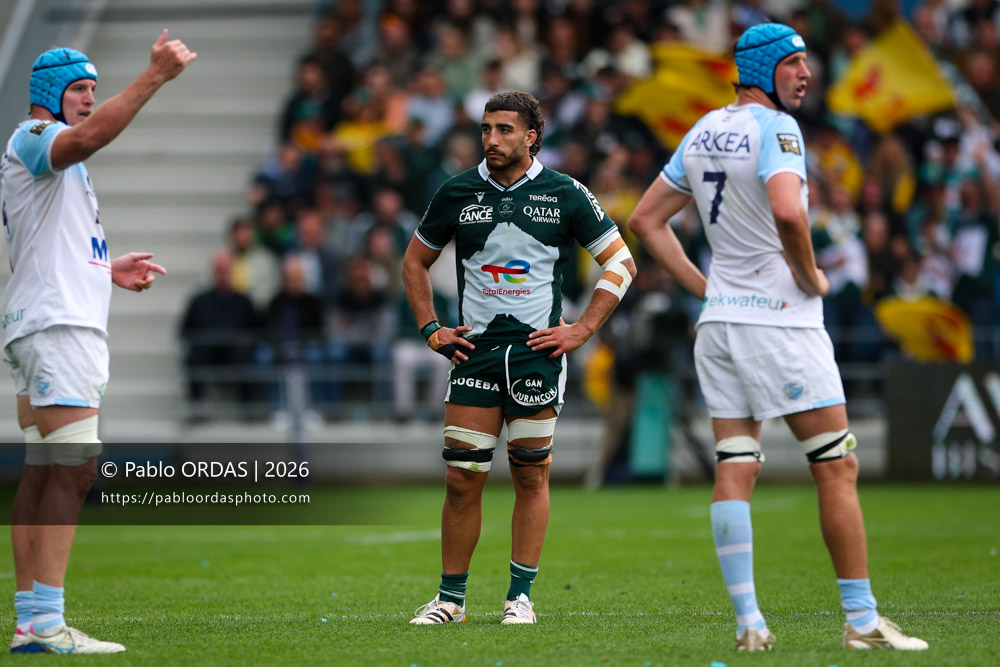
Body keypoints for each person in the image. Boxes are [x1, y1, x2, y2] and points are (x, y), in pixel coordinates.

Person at [628, 23, 928, 653]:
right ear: (763, 69)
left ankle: (750, 623)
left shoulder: (703, 128)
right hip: (780, 322)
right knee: (836, 463)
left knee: (736, 466)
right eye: (794, 63)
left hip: (720, 325)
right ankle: (862, 620)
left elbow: (645, 220)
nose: (806, 74)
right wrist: (809, 272)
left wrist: (701, 286)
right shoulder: (779, 130)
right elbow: (789, 211)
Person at [403, 91, 636, 625]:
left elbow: (621, 264)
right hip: (475, 353)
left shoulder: (566, 194)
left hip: (537, 355)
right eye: (486, 129)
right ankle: (450, 601)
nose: (491, 139)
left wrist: (582, 329)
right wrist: (431, 328)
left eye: (504, 130)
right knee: (462, 476)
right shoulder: (457, 192)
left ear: (531, 136)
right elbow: (414, 263)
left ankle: (520, 598)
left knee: (530, 475)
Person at [1, 32, 196, 654]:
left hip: (50, 321)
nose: (87, 99)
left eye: (91, 88)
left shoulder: (63, 164)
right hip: (57, 328)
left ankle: (33, 620)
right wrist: (155, 76)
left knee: (42, 473)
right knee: (75, 468)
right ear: (48, 96)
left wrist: (106, 269)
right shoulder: (33, 137)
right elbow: (88, 136)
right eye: (78, 90)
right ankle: (47, 622)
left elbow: (46, 244)